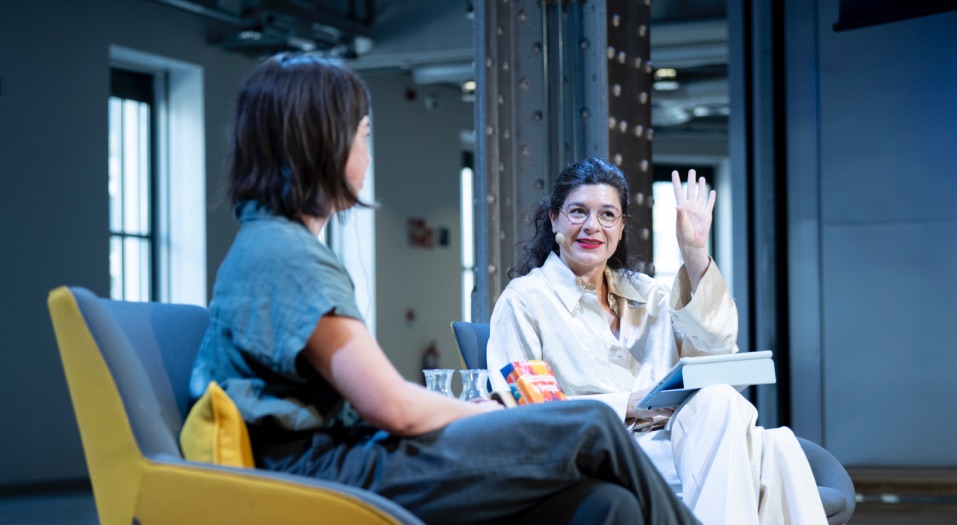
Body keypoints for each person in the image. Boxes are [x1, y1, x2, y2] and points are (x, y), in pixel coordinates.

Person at [189, 53, 699, 525]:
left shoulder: (274, 245)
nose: (367, 154)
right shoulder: (286, 256)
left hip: (343, 456)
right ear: (320, 144)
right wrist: (482, 412)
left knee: (608, 505)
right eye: (363, 135)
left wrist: (481, 412)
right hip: (329, 471)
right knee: (589, 421)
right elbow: (393, 408)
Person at [487, 157, 827, 524]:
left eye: (607, 215)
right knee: (760, 447)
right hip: (596, 455)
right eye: (578, 212)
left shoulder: (648, 293)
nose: (592, 226)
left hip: (676, 445)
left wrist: (694, 255)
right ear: (554, 219)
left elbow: (716, 351)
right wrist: (626, 405)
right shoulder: (524, 300)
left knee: (728, 405)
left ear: (621, 227)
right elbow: (522, 412)